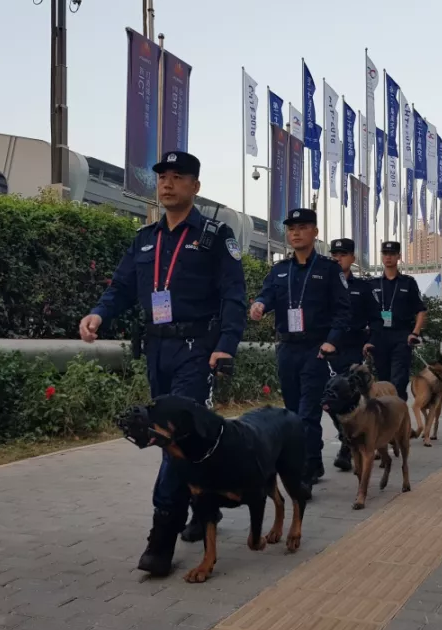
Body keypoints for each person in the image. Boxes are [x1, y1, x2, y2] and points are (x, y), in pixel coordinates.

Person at [79, 150, 246, 577]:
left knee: (170, 436)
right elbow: (121, 287)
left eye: (177, 176)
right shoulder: (144, 239)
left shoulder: (214, 236)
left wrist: (225, 345)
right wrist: (99, 313)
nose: (167, 183)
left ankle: (161, 539)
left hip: (196, 350)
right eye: (162, 177)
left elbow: (233, 295)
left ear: (195, 186)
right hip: (156, 350)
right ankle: (204, 506)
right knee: (186, 440)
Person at [251, 209, 350, 493]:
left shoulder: (328, 269)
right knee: (292, 413)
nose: (295, 233)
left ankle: (303, 474)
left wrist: (332, 341)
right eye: (291, 228)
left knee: (307, 414)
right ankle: (314, 461)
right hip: (287, 349)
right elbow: (268, 294)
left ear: (315, 232)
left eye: (303, 227)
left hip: (315, 349)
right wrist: (259, 305)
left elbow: (343, 311)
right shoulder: (280, 269)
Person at [327, 238, 376, 472]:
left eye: (343, 254)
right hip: (328, 348)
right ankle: (346, 437)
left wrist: (371, 341)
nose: (338, 259)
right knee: (328, 400)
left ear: (352, 259)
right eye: (334, 255)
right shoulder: (323, 284)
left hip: (353, 348)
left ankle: (346, 449)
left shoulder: (363, 288)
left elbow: (375, 319)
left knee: (347, 397)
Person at [367, 241, 427, 403]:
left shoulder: (408, 282)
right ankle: (387, 416)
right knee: (383, 381)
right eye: (385, 254)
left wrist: (415, 333)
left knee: (399, 381)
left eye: (392, 254)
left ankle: (399, 415)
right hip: (379, 337)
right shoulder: (372, 284)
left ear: (398, 256)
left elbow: (420, 310)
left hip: (401, 336)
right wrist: (368, 340)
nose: (388, 257)